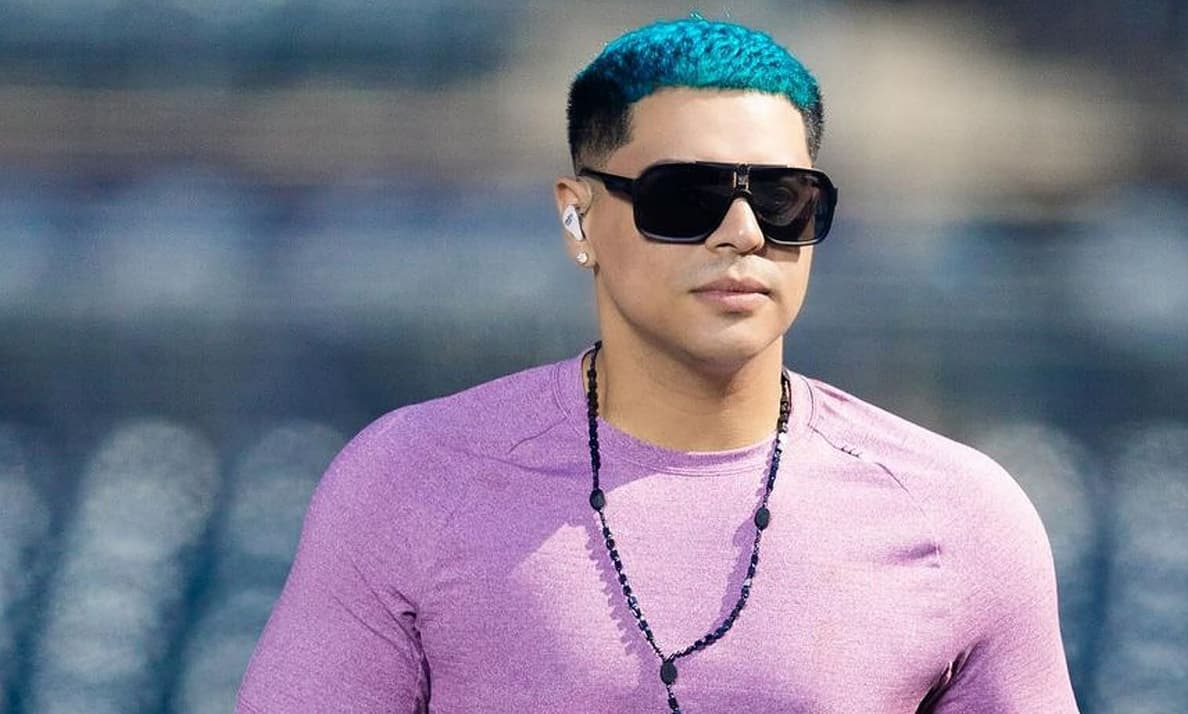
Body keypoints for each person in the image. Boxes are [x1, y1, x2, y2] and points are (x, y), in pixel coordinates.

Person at [236, 16, 1078, 713]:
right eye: (687, 198)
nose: (743, 233)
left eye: (783, 200)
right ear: (579, 218)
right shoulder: (412, 480)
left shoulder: (957, 516)